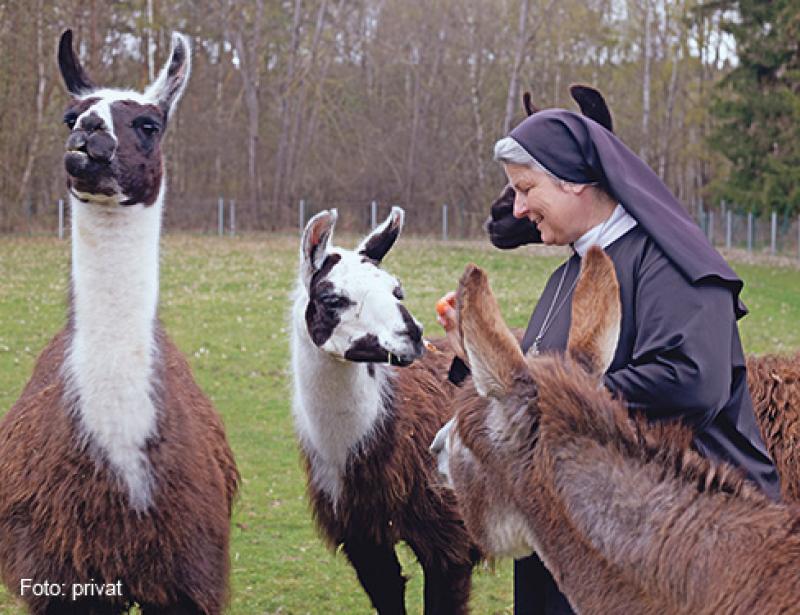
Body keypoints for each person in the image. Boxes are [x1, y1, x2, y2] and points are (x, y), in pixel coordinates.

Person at [436, 107, 781, 615]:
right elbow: (539, 388)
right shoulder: (568, 275)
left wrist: (557, 401)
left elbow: (694, 380)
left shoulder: (669, 264)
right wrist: (477, 355)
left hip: (688, 545)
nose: (518, 209)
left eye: (527, 189)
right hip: (584, 524)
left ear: (574, 181)